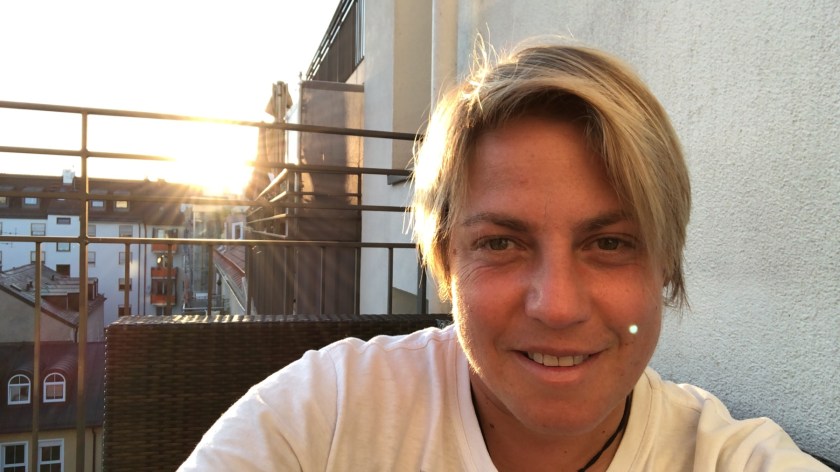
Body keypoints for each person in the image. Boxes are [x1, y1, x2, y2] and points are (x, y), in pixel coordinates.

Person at [179, 41, 831, 471]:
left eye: (610, 244)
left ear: (665, 264)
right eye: (501, 243)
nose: (558, 306)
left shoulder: (731, 458)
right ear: (445, 261)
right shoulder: (320, 417)